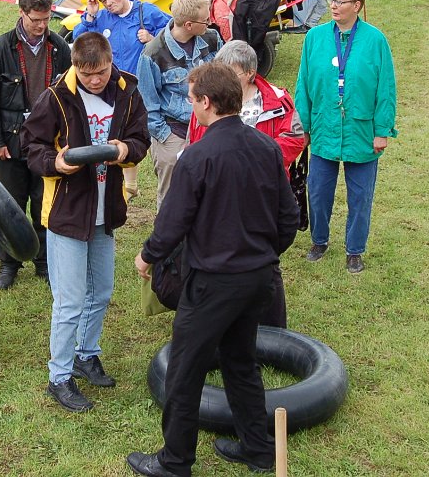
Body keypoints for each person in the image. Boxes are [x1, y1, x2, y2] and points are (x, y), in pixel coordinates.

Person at [129, 62, 298, 477]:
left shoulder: (197, 156)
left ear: (206, 102)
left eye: (191, 98)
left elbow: (173, 222)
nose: (190, 104)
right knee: (241, 360)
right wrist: (264, 254)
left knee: (185, 369)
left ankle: (174, 462)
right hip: (259, 279)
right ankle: (258, 449)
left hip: (214, 284)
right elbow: (289, 217)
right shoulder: (266, 148)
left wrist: (147, 255)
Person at [22, 32, 150, 413]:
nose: (96, 79)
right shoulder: (56, 96)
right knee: (70, 301)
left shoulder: (127, 90)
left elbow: (140, 138)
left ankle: (86, 354)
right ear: (75, 65)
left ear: (111, 62)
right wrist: (55, 163)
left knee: (103, 291)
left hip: (105, 210)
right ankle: (59, 377)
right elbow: (31, 147)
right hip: (67, 213)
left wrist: (126, 150)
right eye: (87, 72)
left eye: (102, 71)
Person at [187, 40, 305, 328]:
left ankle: (273, 327)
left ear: (251, 73)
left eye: (233, 72)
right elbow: (195, 141)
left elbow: (295, 138)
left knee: (264, 260)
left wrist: (258, 160)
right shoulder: (208, 100)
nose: (226, 77)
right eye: (222, 70)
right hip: (220, 194)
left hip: (263, 191)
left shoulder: (278, 100)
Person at [294, 0, 397, 274]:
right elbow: (303, 86)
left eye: (340, 2)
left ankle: (355, 250)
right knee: (318, 190)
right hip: (324, 127)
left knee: (361, 195)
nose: (334, 6)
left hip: (361, 131)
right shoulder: (314, 38)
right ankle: (319, 241)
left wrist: (382, 130)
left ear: (357, 6)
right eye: (332, 0)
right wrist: (304, 127)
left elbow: (385, 88)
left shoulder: (375, 40)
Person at [0, 0, 72, 290]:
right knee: (10, 204)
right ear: (21, 13)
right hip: (10, 140)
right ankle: (9, 263)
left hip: (46, 142)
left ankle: (44, 261)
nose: (42, 26)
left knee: (43, 201)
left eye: (46, 19)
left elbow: (70, 96)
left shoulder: (60, 47)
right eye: (36, 19)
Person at [72, 0, 169, 197]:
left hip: (140, 86)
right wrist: (90, 16)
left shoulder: (146, 12)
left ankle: (146, 176)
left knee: (139, 130)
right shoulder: (102, 18)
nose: (110, 4)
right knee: (116, 130)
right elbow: (79, 42)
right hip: (111, 86)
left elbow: (172, 32)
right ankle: (129, 186)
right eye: (104, 0)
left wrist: (153, 37)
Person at [136, 0, 221, 211]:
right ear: (189, 24)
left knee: (210, 192)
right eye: (205, 20)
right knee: (173, 198)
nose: (210, 23)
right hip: (175, 132)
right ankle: (169, 244)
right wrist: (165, 137)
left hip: (211, 129)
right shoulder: (152, 54)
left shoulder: (212, 39)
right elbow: (147, 103)